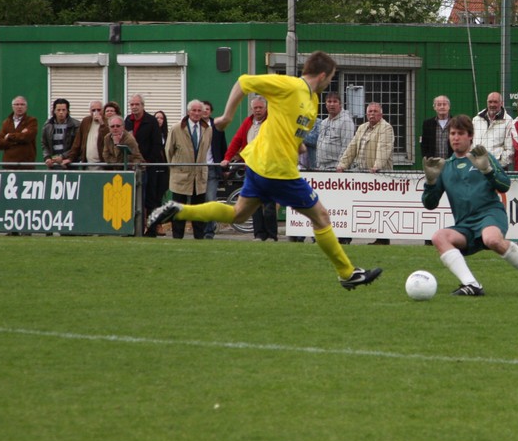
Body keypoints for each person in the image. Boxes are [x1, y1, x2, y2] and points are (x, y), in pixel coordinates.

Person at [145, 51, 382, 290]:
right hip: (278, 170)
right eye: (331, 77)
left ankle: (179, 210)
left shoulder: (312, 100)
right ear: (322, 75)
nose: (330, 82)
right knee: (321, 217)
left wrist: (297, 145)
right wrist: (227, 116)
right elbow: (244, 82)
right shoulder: (290, 85)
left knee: (238, 214)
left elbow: (291, 130)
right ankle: (347, 273)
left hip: (261, 166)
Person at [421, 114, 518, 297]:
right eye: (452, 134)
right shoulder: (445, 167)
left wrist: (488, 170)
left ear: (470, 136)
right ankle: (471, 285)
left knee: (492, 240)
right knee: (438, 237)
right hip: (465, 225)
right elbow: (430, 204)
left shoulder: (482, 157)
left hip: (490, 215)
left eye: (460, 133)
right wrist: (430, 182)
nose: (455, 138)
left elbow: (504, 185)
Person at [223, 94, 278, 241]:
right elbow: (236, 141)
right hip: (251, 170)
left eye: (260, 107)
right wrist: (227, 158)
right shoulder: (247, 123)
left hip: (269, 170)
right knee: (254, 204)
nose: (258, 110)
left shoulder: (273, 122)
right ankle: (259, 234)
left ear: (266, 108)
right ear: (251, 109)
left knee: (269, 205)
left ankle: (272, 235)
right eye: (255, 108)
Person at [164, 100, 212, 239]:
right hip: (181, 176)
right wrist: (176, 168)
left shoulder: (208, 129)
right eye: (193, 110)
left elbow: (206, 148)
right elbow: (169, 151)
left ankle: (199, 238)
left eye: (199, 111)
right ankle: (177, 238)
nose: (196, 113)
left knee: (198, 210)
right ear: (188, 112)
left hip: (199, 177)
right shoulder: (176, 128)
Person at [126, 94, 164, 229]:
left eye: (137, 104)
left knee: (149, 198)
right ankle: (134, 228)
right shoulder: (127, 120)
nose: (134, 107)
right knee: (132, 198)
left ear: (143, 105)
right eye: (132, 104)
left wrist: (148, 162)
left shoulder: (151, 121)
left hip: (148, 166)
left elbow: (157, 144)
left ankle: (152, 229)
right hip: (131, 166)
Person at [337, 102, 394, 173]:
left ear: (381, 114)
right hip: (361, 171)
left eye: (375, 111)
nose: (372, 113)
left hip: (379, 173)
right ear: (367, 114)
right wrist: (342, 164)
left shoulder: (386, 127)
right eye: (370, 111)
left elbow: (383, 149)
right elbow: (352, 147)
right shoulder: (362, 127)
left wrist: (377, 166)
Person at [201, 100, 229, 240]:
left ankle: (209, 231)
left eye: (207, 109)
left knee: (210, 199)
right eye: (203, 109)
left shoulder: (217, 127)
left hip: (212, 168)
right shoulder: (194, 126)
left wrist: (225, 167)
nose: (205, 111)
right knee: (198, 201)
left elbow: (223, 147)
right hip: (197, 169)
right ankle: (198, 229)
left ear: (211, 111)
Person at [0, 95, 38, 169]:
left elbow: (27, 137)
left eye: (22, 104)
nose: (19, 107)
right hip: (9, 165)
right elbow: (0, 142)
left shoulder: (31, 121)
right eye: (17, 104)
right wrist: (19, 137)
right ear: (12, 107)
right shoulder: (6, 123)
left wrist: (9, 136)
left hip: (26, 165)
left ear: (26, 107)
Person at [315, 92, 353, 171]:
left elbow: (347, 146)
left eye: (335, 101)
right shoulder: (323, 123)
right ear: (326, 105)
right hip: (321, 167)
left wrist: (341, 165)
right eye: (329, 101)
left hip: (336, 168)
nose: (332, 104)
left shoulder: (346, 121)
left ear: (340, 104)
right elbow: (319, 144)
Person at [473, 92, 513, 165]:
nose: (492, 104)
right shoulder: (476, 119)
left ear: (501, 103)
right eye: (490, 102)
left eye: (495, 102)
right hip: (476, 166)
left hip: (496, 167)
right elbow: (470, 143)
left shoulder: (508, 121)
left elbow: (510, 149)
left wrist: (497, 165)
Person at [65, 100, 105, 168]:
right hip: (87, 163)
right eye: (93, 110)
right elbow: (77, 142)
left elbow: (107, 138)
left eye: (99, 110)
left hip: (103, 164)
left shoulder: (107, 122)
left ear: (103, 110)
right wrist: (70, 158)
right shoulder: (86, 121)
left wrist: (102, 123)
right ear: (90, 111)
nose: (96, 112)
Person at [41, 98, 77, 169]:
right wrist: (47, 157)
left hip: (69, 165)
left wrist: (63, 156)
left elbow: (76, 146)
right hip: (53, 165)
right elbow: (44, 144)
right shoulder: (48, 125)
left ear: (67, 111)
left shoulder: (75, 125)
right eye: (58, 110)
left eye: (63, 110)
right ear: (54, 111)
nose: (61, 112)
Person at [420, 95, 452, 163]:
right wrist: (428, 159)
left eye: (444, 104)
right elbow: (424, 144)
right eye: (439, 104)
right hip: (434, 163)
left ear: (449, 106)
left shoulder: (456, 122)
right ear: (434, 107)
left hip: (452, 162)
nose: (442, 107)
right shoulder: (427, 124)